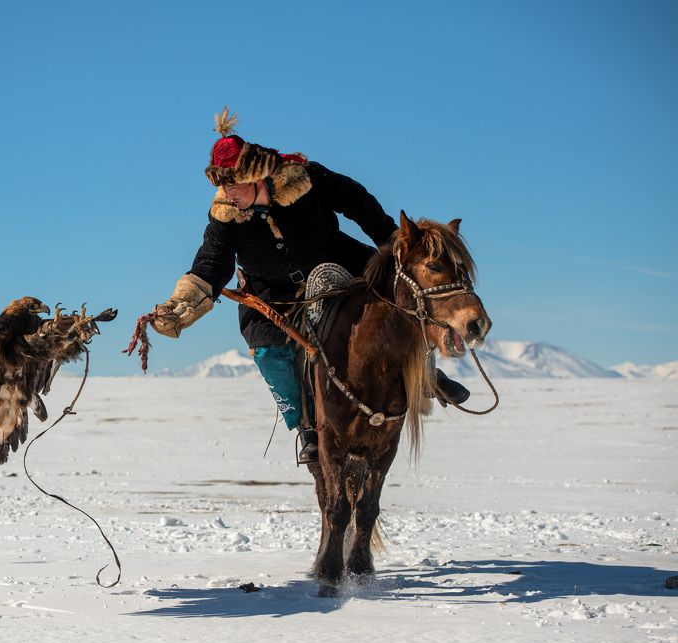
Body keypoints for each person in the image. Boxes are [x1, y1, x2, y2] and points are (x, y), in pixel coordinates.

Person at [150, 109, 469, 463]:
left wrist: (394, 243)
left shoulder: (304, 179)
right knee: (270, 354)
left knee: (395, 298)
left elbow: (356, 201)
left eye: (232, 184)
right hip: (270, 293)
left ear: (255, 176)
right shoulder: (225, 215)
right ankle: (307, 428)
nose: (227, 193)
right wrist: (180, 306)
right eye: (221, 185)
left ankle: (426, 375)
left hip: (336, 259)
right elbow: (211, 262)